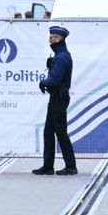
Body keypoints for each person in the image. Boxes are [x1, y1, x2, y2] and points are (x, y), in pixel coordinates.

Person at [32, 24, 76, 176]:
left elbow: (55, 80)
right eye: (50, 37)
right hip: (56, 97)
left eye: (55, 37)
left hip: (59, 97)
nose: (51, 40)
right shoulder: (60, 56)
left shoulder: (62, 57)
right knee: (48, 132)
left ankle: (71, 166)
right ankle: (48, 165)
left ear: (61, 39)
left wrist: (44, 82)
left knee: (60, 132)